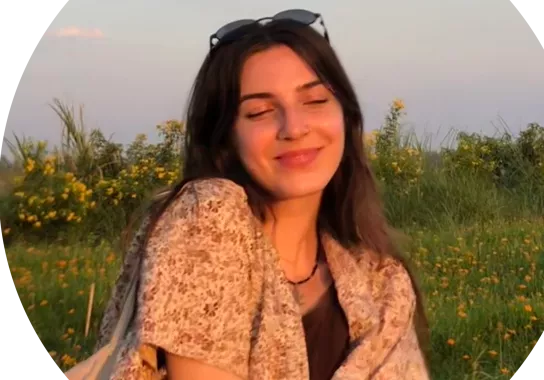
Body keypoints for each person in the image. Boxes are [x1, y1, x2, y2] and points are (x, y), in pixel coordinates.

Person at [94, 9, 431, 380]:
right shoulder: (207, 221)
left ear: (345, 116)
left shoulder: (380, 282)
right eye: (260, 111)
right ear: (225, 140)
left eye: (315, 101)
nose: (295, 127)